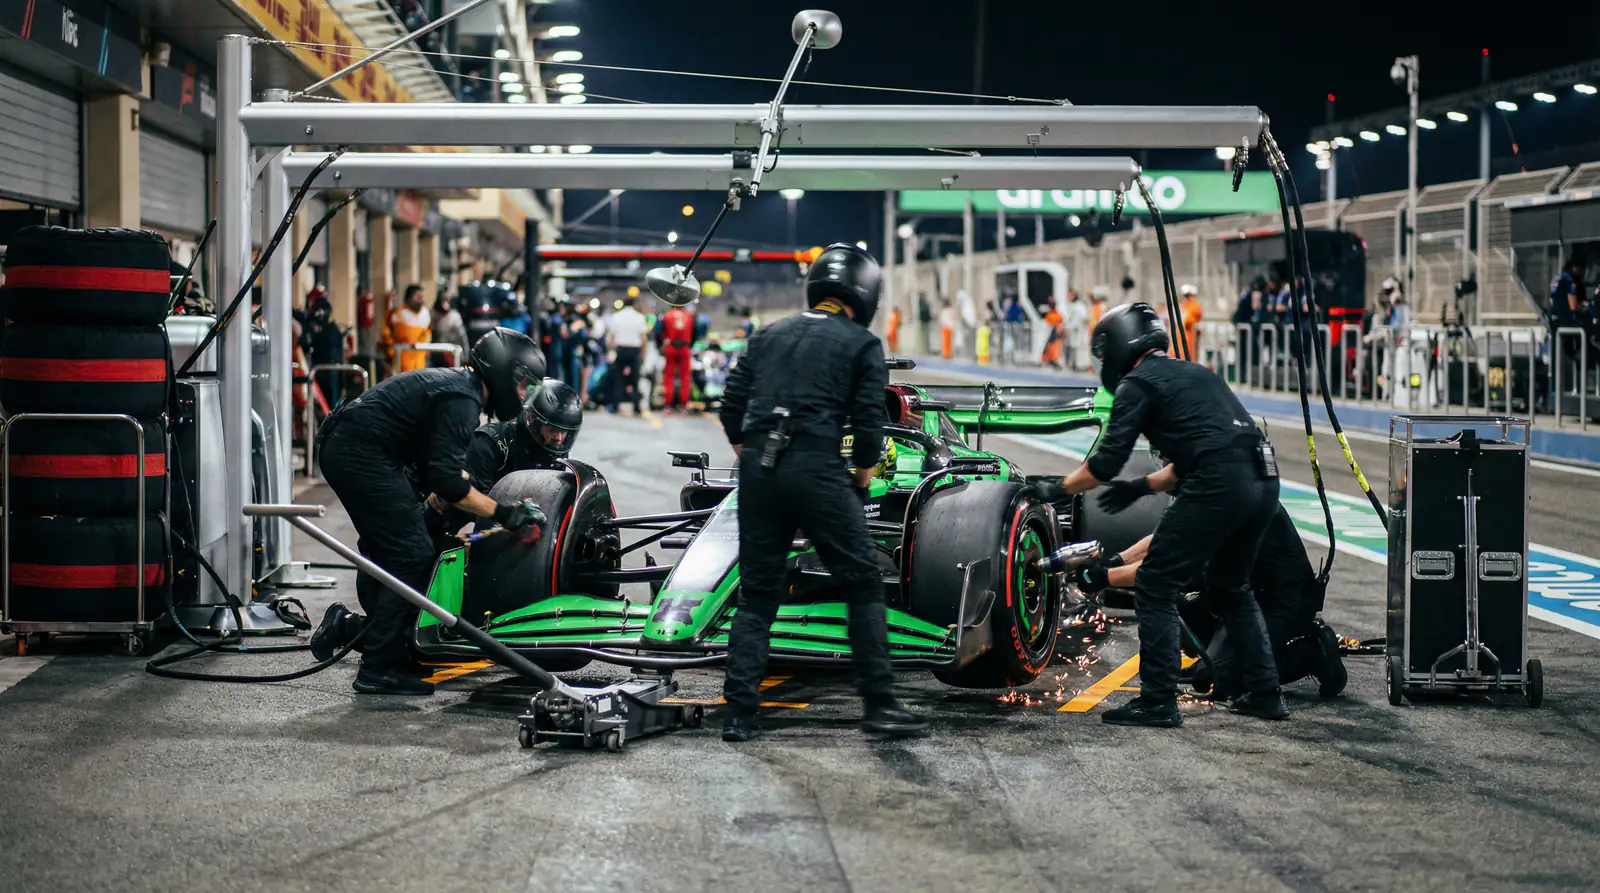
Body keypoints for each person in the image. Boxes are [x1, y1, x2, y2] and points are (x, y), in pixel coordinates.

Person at [1028, 302, 1285, 727]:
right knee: (1232, 586)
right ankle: (1265, 694)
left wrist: (1058, 489)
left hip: (1220, 481)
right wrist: (1140, 487)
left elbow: (1106, 462)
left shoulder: (1138, 383)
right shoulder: (1196, 373)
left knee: (1155, 584)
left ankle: (1158, 701)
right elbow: (1208, 451)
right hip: (1263, 478)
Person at [718, 242, 926, 742]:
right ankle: (880, 705)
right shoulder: (861, 344)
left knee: (757, 594)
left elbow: (730, 408)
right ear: (866, 294)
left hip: (759, 471)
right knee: (862, 581)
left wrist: (756, 457)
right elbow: (870, 430)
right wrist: (858, 484)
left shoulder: (768, 334)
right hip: (816, 468)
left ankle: (739, 715)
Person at [309, 327, 549, 696]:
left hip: (358, 449)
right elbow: (448, 484)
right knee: (411, 554)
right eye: (522, 385)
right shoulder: (463, 400)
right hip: (359, 454)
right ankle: (379, 668)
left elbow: (440, 469)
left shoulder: (461, 390)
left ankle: (367, 638)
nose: (523, 396)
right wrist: (504, 514)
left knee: (410, 547)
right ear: (503, 373)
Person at [1071, 502, 1347, 699]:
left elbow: (1169, 567)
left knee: (1224, 682)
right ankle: (1217, 660)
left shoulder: (1228, 498)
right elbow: (1167, 537)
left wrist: (1104, 577)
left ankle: (1311, 654)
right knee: (1183, 609)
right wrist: (1116, 561)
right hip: (1244, 594)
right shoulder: (1212, 483)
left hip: (1283, 602)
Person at [425, 378, 585, 547]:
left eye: (564, 432)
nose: (558, 438)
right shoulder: (489, 443)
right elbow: (471, 499)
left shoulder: (556, 448)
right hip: (455, 509)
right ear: (533, 421)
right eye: (552, 430)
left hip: (509, 513)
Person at [606, 295, 649, 414]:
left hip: (621, 349)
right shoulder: (640, 317)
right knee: (635, 379)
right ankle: (636, 406)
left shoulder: (616, 316)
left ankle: (615, 405)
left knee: (618, 378)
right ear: (634, 304)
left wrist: (609, 351)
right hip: (634, 350)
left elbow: (612, 337)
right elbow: (643, 338)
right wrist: (643, 355)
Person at [383, 284, 433, 375]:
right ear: (409, 298)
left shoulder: (425, 315)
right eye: (417, 296)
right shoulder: (398, 313)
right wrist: (391, 352)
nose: (420, 300)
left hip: (419, 362)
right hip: (401, 363)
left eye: (421, 297)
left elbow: (427, 334)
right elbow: (387, 333)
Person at [656, 301, 696, 413]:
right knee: (685, 376)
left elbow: (658, 332)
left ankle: (668, 404)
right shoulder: (689, 316)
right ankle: (683, 404)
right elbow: (695, 332)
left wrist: (660, 346)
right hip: (685, 348)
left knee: (668, 375)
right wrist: (690, 345)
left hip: (671, 347)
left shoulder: (666, 316)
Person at [430, 294, 469, 367]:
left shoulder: (454, 316)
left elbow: (463, 338)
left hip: (453, 350)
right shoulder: (434, 314)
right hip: (438, 351)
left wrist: (465, 356)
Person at [1179, 283, 1204, 363]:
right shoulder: (1184, 306)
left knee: (1189, 359)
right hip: (1182, 340)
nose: (1186, 299)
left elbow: (1189, 320)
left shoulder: (1195, 306)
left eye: (1188, 296)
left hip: (1189, 340)